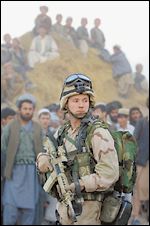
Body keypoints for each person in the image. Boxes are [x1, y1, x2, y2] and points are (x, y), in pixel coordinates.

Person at [36, 73, 119, 225]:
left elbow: (109, 173)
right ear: (66, 104)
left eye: (85, 100)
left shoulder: (97, 132)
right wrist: (42, 158)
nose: (81, 105)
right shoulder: (62, 132)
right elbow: (49, 153)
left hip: (90, 209)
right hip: (64, 209)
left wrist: (79, 185)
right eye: (75, 100)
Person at [1, 93, 43, 225]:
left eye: (30, 109)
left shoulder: (38, 128)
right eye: (25, 109)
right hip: (14, 171)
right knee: (10, 207)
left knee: (29, 209)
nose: (27, 111)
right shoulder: (10, 127)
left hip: (31, 172)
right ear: (19, 110)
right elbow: (3, 148)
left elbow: (43, 150)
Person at [38, 108, 57, 225]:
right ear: (38, 119)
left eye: (47, 118)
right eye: (43, 118)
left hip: (49, 172)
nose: (45, 121)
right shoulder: (33, 133)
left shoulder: (53, 134)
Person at [131, 97, 149, 225]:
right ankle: (135, 216)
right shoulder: (142, 122)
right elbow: (134, 141)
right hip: (142, 162)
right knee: (137, 188)